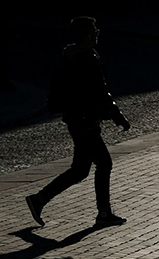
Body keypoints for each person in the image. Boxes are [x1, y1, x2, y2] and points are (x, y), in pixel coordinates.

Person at [26, 16, 131, 228]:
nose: (97, 33)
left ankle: (38, 200)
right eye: (94, 30)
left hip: (76, 119)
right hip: (84, 120)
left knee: (80, 170)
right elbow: (100, 91)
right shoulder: (87, 58)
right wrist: (118, 116)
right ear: (84, 35)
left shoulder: (70, 56)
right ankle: (103, 213)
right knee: (104, 163)